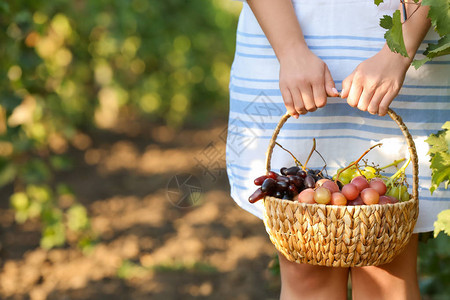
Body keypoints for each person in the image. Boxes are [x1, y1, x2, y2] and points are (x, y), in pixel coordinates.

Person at [226, 0, 450, 299]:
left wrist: (399, 50)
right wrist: (290, 50)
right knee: (306, 267)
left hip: (402, 53)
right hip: (283, 39)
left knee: (385, 266)